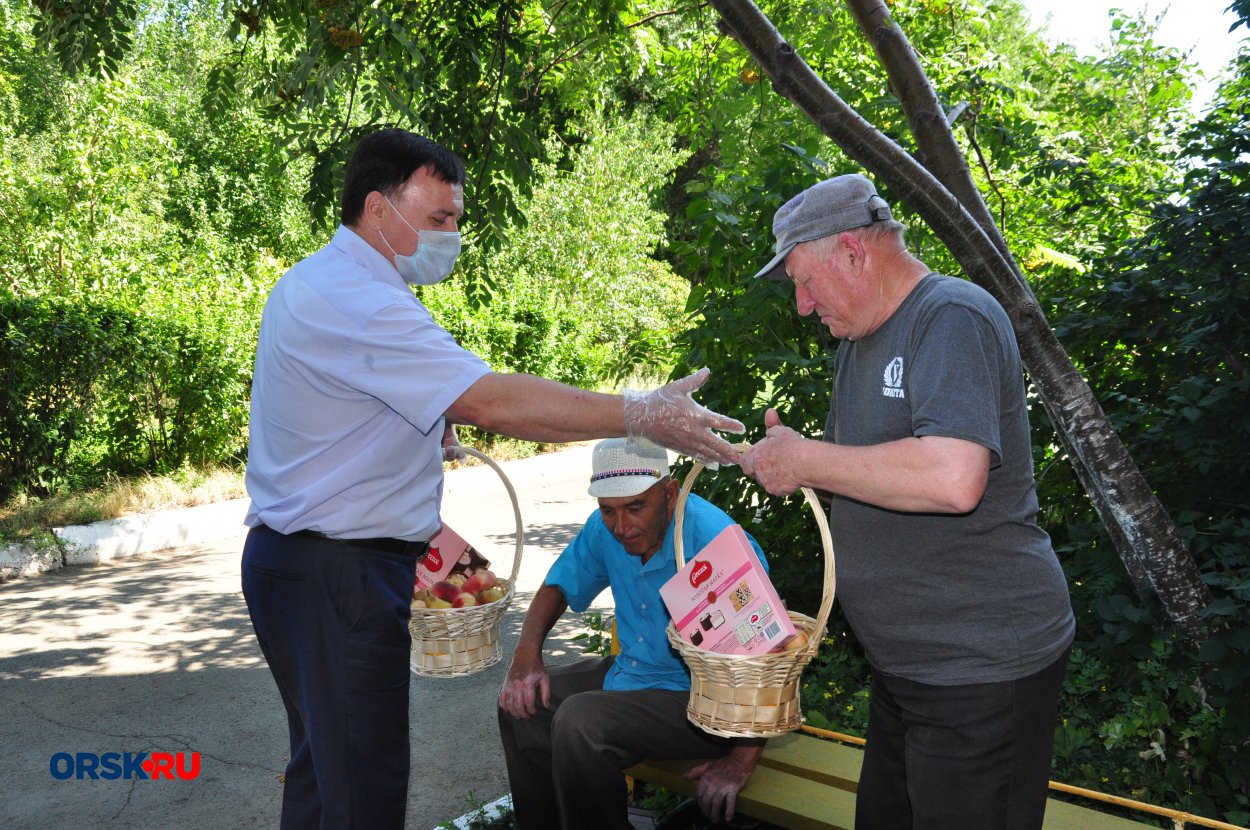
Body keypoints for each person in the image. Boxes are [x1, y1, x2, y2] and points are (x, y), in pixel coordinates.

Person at [241, 129, 744, 830]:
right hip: (338, 576)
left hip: (302, 566)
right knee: (362, 790)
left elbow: (348, 412)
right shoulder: (364, 301)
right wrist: (639, 413)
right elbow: (493, 398)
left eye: (456, 220)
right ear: (379, 209)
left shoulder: (319, 282)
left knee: (326, 776)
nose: (450, 236)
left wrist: (410, 433)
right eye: (438, 219)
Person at [739, 174, 1075, 830]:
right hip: (907, 672)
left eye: (806, 282)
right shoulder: (858, 345)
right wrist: (788, 462)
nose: (802, 306)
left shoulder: (950, 316)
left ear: (853, 253)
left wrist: (808, 458)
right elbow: (860, 473)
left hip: (981, 671)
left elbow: (955, 477)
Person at [498, 438, 768, 830]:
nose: (621, 527)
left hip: (707, 705)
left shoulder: (714, 541)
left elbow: (766, 657)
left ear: (670, 493)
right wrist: (526, 654)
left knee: (580, 721)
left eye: (635, 508)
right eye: (607, 511)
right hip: (633, 676)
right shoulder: (605, 530)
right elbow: (559, 585)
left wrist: (742, 761)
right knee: (520, 705)